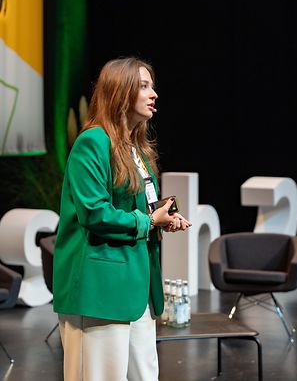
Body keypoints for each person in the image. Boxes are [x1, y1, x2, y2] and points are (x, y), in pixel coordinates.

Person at [52, 56, 192, 381]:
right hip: (100, 290)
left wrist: (162, 217)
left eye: (152, 86)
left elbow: (139, 205)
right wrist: (148, 221)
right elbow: (95, 214)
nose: (153, 93)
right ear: (120, 92)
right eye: (144, 86)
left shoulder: (135, 149)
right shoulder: (93, 142)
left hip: (136, 286)